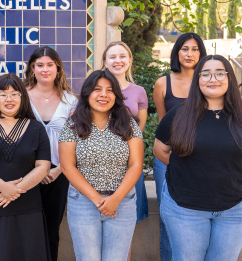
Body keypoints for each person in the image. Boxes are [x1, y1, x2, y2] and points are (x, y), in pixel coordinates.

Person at [153, 55, 242, 260]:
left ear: (230, 78)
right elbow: (160, 150)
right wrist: (190, 169)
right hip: (184, 208)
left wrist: (223, 169)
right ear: (197, 80)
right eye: (205, 74)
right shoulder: (179, 114)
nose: (213, 78)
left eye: (220, 73)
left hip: (235, 208)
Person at [58, 70, 144, 261]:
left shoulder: (128, 124)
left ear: (116, 96)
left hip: (122, 203)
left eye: (110, 90)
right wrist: (98, 199)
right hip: (83, 203)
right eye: (97, 89)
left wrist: (115, 199)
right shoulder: (73, 125)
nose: (104, 95)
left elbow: (136, 164)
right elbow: (67, 166)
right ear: (88, 93)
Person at [0, 73, 52, 261]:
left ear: (23, 97)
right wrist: (3, 187)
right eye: (3, 94)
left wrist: (14, 190)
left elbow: (44, 166)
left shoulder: (36, 128)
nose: (9, 99)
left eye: (15, 94)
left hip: (26, 208)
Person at [151, 32, 206, 261]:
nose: (189, 54)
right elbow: (165, 124)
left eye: (194, 49)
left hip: (203, 160)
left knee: (201, 212)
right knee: (168, 216)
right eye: (184, 49)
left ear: (202, 53)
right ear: (176, 52)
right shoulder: (163, 83)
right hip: (169, 159)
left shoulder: (208, 81)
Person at [23, 46, 77, 261]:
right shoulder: (21, 97)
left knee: (51, 230)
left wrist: (58, 170)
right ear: (32, 68)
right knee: (26, 230)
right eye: (39, 65)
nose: (45, 69)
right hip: (25, 173)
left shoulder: (71, 101)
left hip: (58, 174)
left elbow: (76, 143)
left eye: (49, 65)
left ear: (58, 68)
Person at [102, 41, 149, 259]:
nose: (118, 60)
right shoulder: (94, 89)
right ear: (105, 62)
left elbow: (139, 130)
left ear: (129, 61)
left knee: (126, 223)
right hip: (98, 164)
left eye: (122, 56)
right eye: (112, 56)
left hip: (129, 164)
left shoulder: (139, 92)